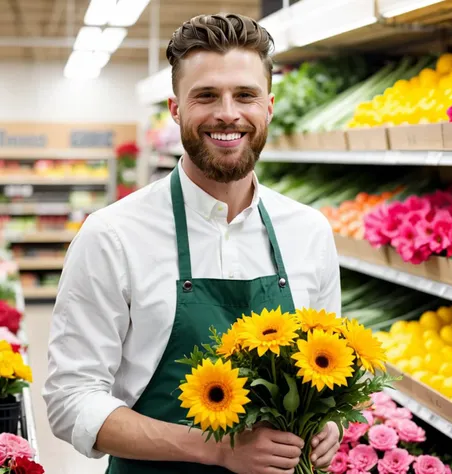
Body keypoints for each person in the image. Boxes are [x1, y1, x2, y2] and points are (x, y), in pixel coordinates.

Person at [43, 13, 341, 474]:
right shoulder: (113, 235)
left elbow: (326, 369)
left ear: (270, 106)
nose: (228, 113)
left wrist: (327, 425)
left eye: (246, 95)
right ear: (176, 109)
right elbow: (71, 401)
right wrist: (216, 448)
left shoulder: (308, 231)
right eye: (206, 95)